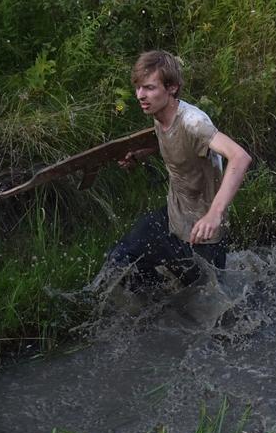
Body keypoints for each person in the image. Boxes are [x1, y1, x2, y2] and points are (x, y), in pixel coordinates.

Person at [101, 50, 252, 292]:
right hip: (172, 219)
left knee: (206, 306)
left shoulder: (194, 122)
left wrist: (214, 214)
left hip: (203, 235)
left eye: (149, 88)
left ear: (171, 88)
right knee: (120, 259)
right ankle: (156, 307)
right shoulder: (158, 112)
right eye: (139, 87)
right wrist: (142, 154)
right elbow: (173, 139)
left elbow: (240, 157)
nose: (141, 95)